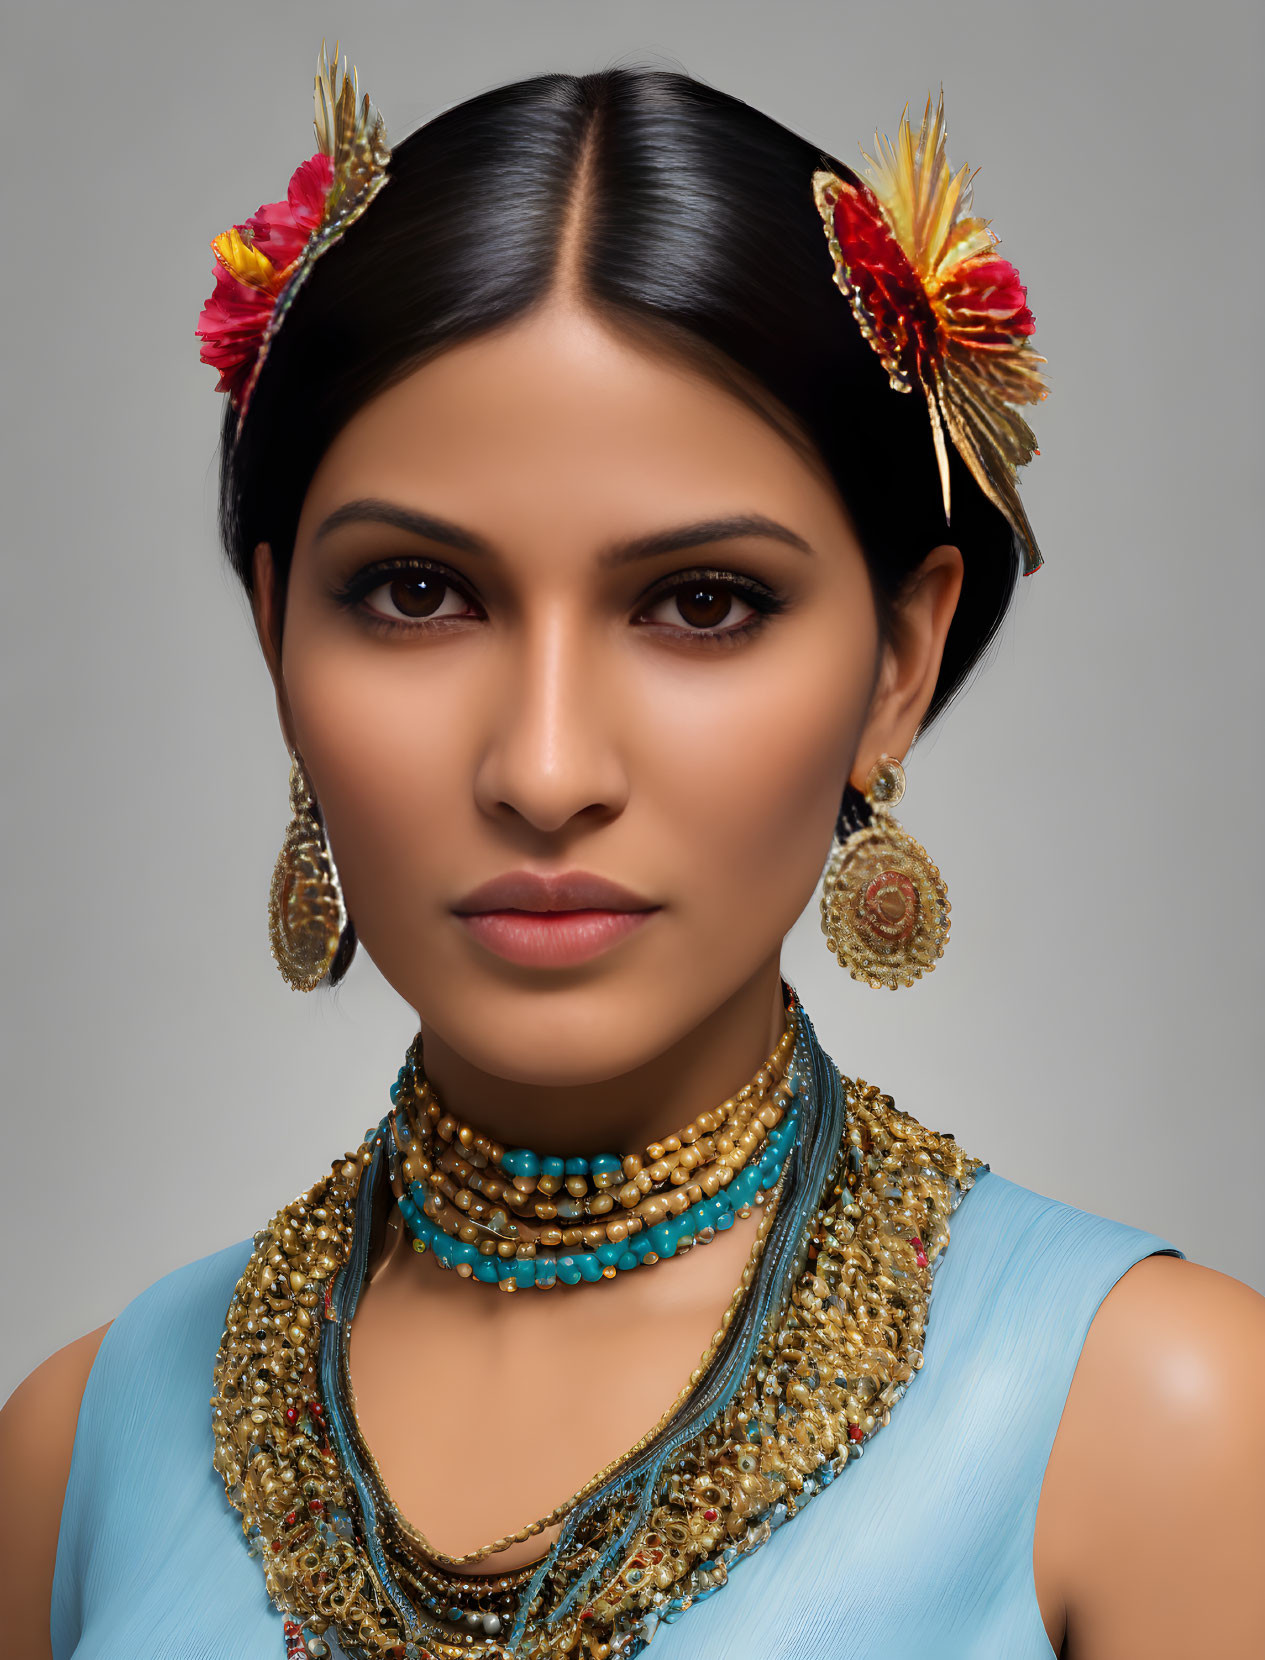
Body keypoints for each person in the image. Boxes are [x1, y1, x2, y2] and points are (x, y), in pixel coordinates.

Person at [3, 51, 1262, 1660]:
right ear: (273, 640)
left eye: (701, 604)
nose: (542, 770)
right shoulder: (73, 1454)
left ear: (897, 663)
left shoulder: (1161, 1430)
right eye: (412, 593)